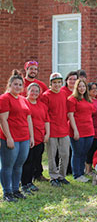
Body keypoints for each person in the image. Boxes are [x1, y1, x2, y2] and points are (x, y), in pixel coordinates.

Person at [0, 70, 34, 202]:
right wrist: (8, 138)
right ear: (9, 85)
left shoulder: (23, 99)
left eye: (20, 85)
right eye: (15, 84)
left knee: (19, 165)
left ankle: (15, 189)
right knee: (8, 166)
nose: (18, 87)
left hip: (24, 137)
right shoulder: (4, 98)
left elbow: (28, 118)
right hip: (11, 138)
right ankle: (7, 192)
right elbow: (3, 120)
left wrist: (31, 136)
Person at [41, 72, 70, 186]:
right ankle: (53, 177)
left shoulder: (63, 93)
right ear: (50, 84)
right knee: (52, 155)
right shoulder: (46, 95)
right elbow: (44, 114)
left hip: (64, 129)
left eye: (59, 82)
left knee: (65, 154)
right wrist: (46, 131)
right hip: (52, 129)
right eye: (54, 83)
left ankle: (62, 176)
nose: (57, 85)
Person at [21, 83, 50, 194]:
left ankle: (30, 182)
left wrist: (47, 134)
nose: (34, 93)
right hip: (27, 138)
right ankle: (24, 184)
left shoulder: (42, 105)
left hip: (39, 138)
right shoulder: (24, 103)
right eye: (32, 90)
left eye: (36, 91)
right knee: (27, 162)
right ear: (27, 91)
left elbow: (46, 120)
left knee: (35, 161)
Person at [67, 79, 96, 182]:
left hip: (89, 130)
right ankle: (77, 174)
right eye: (80, 86)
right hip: (77, 130)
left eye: (84, 86)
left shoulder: (88, 100)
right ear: (76, 88)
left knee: (84, 152)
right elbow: (70, 115)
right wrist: (75, 130)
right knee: (77, 152)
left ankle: (82, 172)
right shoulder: (72, 99)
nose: (82, 88)